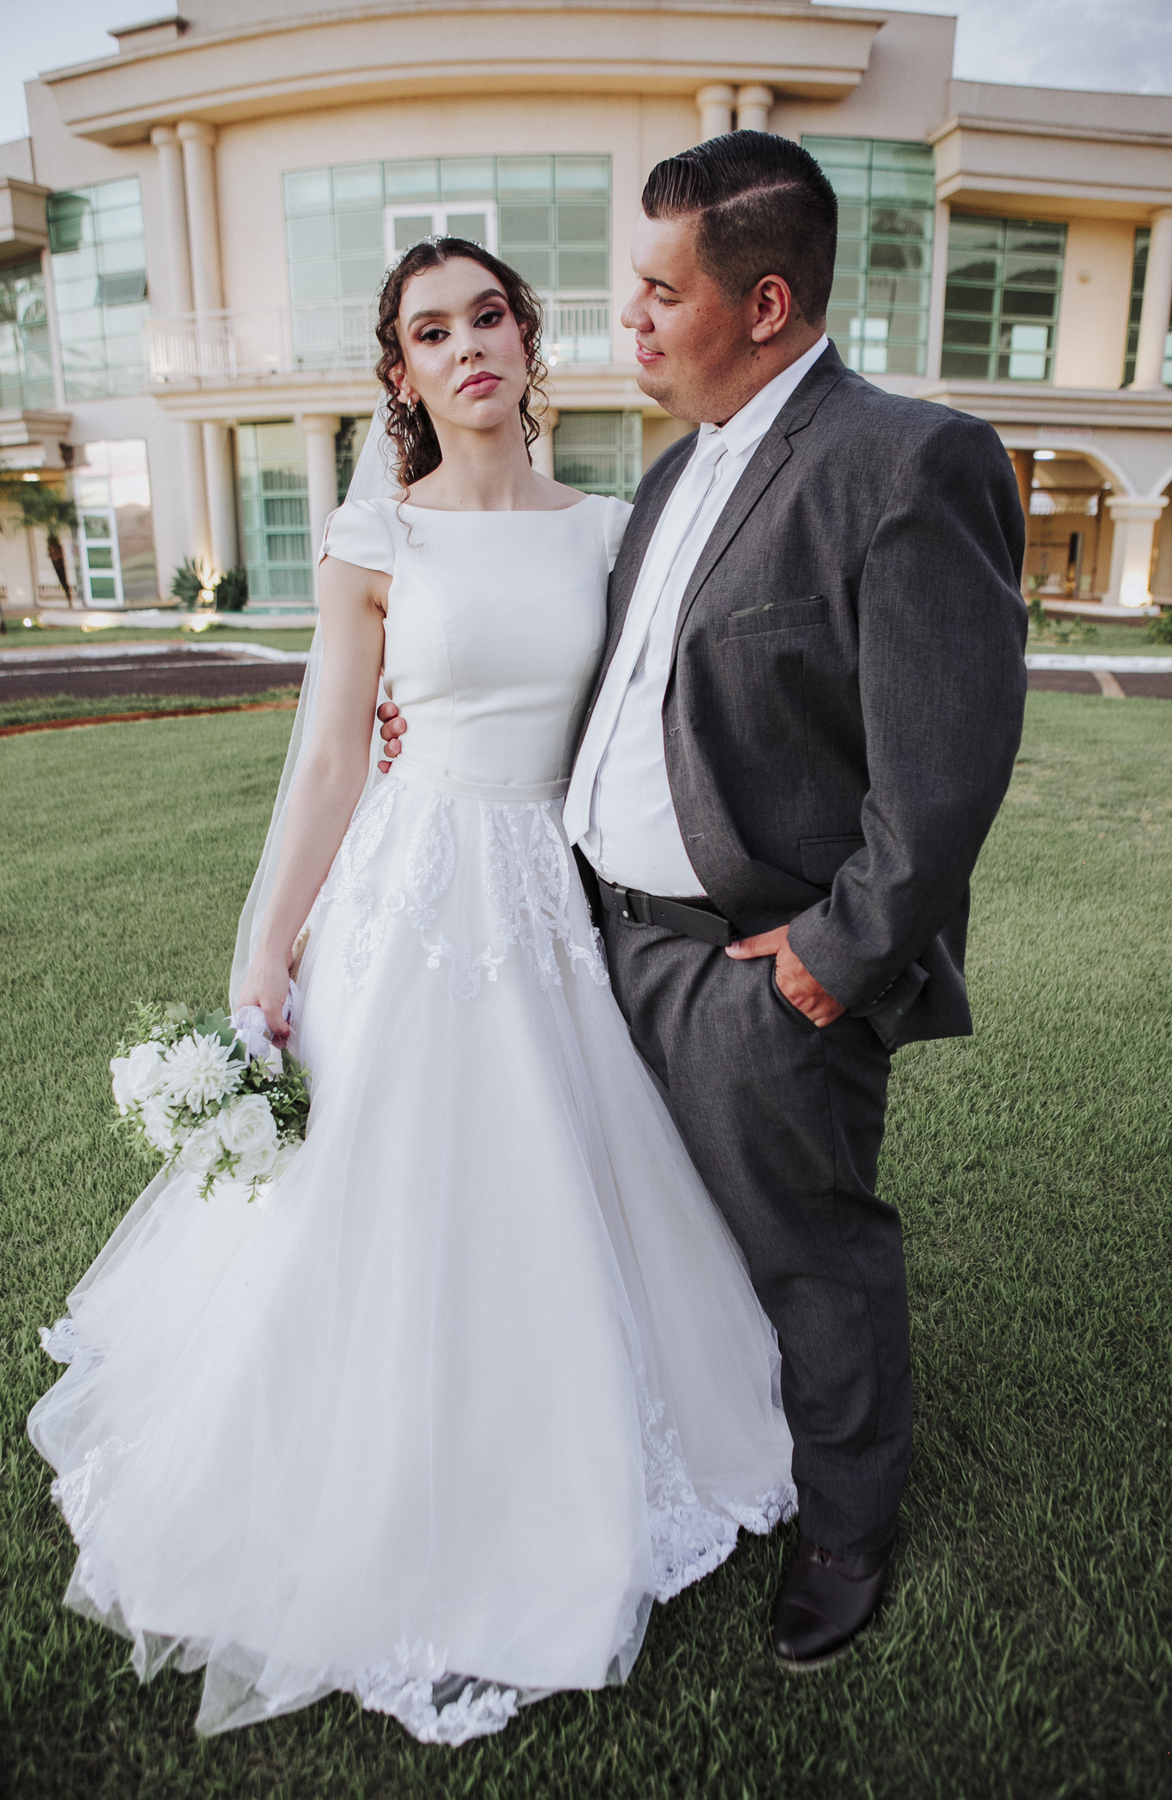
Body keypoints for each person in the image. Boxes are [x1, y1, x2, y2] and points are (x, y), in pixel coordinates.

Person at [26, 237, 797, 1745]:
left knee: (559, 1177)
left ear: (526, 339)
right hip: (409, 888)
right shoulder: (374, 535)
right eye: (432, 332)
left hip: (554, 893)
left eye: (488, 317)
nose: (468, 348)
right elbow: (330, 755)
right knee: (374, 1192)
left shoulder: (611, 531)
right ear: (402, 374)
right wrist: (266, 945)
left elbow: (653, 726)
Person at [377, 134, 1029, 1670]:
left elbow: (944, 769)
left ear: (767, 301)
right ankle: (685, 1448)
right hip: (592, 943)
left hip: (753, 967)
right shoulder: (672, 475)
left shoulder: (908, 460)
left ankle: (847, 1530)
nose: (631, 319)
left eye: (662, 293)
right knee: (657, 1235)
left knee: (811, 1247)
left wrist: (828, 960)